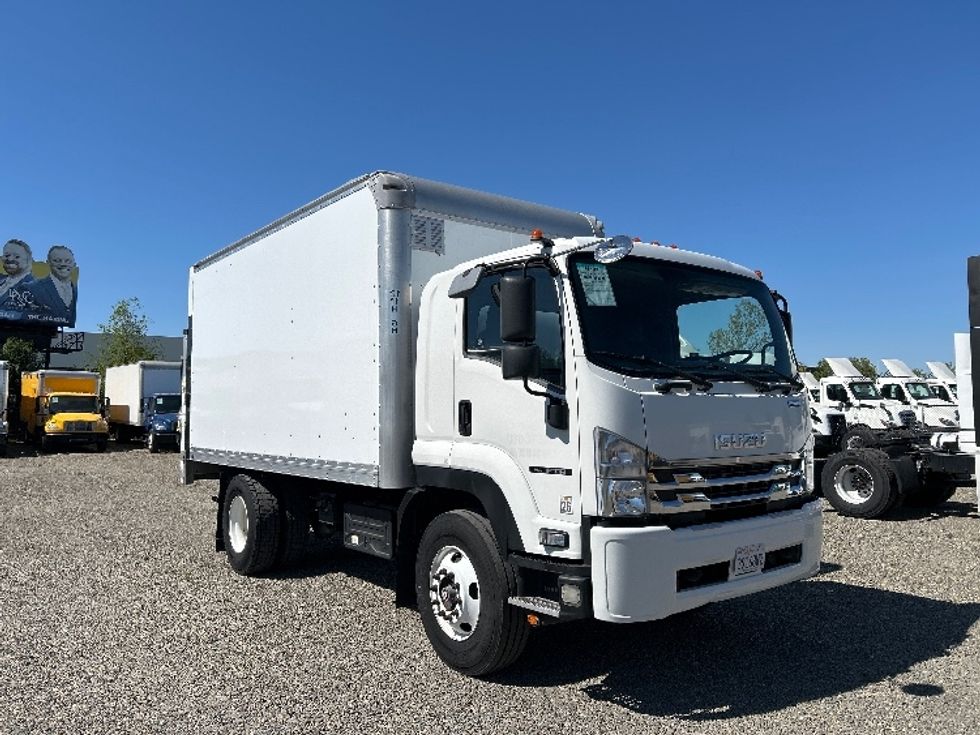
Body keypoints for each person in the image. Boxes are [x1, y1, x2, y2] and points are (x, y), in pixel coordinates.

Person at [28, 244, 78, 324]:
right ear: (48, 263)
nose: (63, 264)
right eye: (57, 260)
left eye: (68, 261)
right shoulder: (33, 287)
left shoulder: (74, 289)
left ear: (74, 265)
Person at [0, 238, 37, 312]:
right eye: (7, 255)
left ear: (28, 260)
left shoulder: (37, 288)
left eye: (17, 256)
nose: (10, 259)